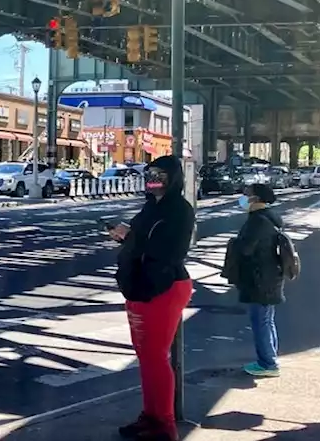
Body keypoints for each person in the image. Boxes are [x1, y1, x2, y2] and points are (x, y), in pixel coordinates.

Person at [109, 155, 195, 441]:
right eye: (150, 173)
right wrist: (125, 235)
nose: (153, 178)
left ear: (173, 178)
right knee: (146, 357)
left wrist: (132, 239)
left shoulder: (180, 210)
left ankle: (165, 424)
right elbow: (141, 239)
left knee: (155, 357)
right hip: (139, 284)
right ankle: (151, 416)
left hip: (164, 287)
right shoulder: (150, 207)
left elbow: (170, 251)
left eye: (160, 174)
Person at [222, 183, 285, 378]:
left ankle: (267, 363)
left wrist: (234, 243)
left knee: (260, 321)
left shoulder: (258, 221)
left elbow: (246, 248)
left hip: (260, 278)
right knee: (266, 319)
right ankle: (270, 358)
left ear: (256, 198)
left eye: (246, 194)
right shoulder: (270, 217)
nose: (243, 198)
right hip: (269, 276)